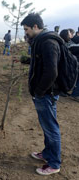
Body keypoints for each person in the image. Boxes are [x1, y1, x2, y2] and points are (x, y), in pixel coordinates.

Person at [21, 13, 61, 175]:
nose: (25, 32)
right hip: (44, 94)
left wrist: (39, 91)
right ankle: (47, 153)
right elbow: (40, 61)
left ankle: (54, 164)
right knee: (47, 126)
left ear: (35, 27)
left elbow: (52, 72)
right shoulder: (41, 41)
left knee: (51, 128)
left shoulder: (48, 43)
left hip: (46, 94)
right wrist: (25, 60)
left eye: (27, 29)